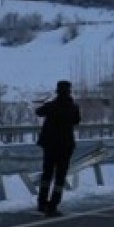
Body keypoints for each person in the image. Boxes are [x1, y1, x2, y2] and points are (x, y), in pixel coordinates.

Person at [36, 80, 81, 217]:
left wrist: (48, 103)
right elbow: (77, 120)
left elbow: (38, 112)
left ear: (57, 91)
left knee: (47, 174)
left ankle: (42, 203)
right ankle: (53, 205)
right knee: (60, 177)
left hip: (50, 145)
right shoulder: (73, 107)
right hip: (65, 146)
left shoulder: (51, 106)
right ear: (69, 92)